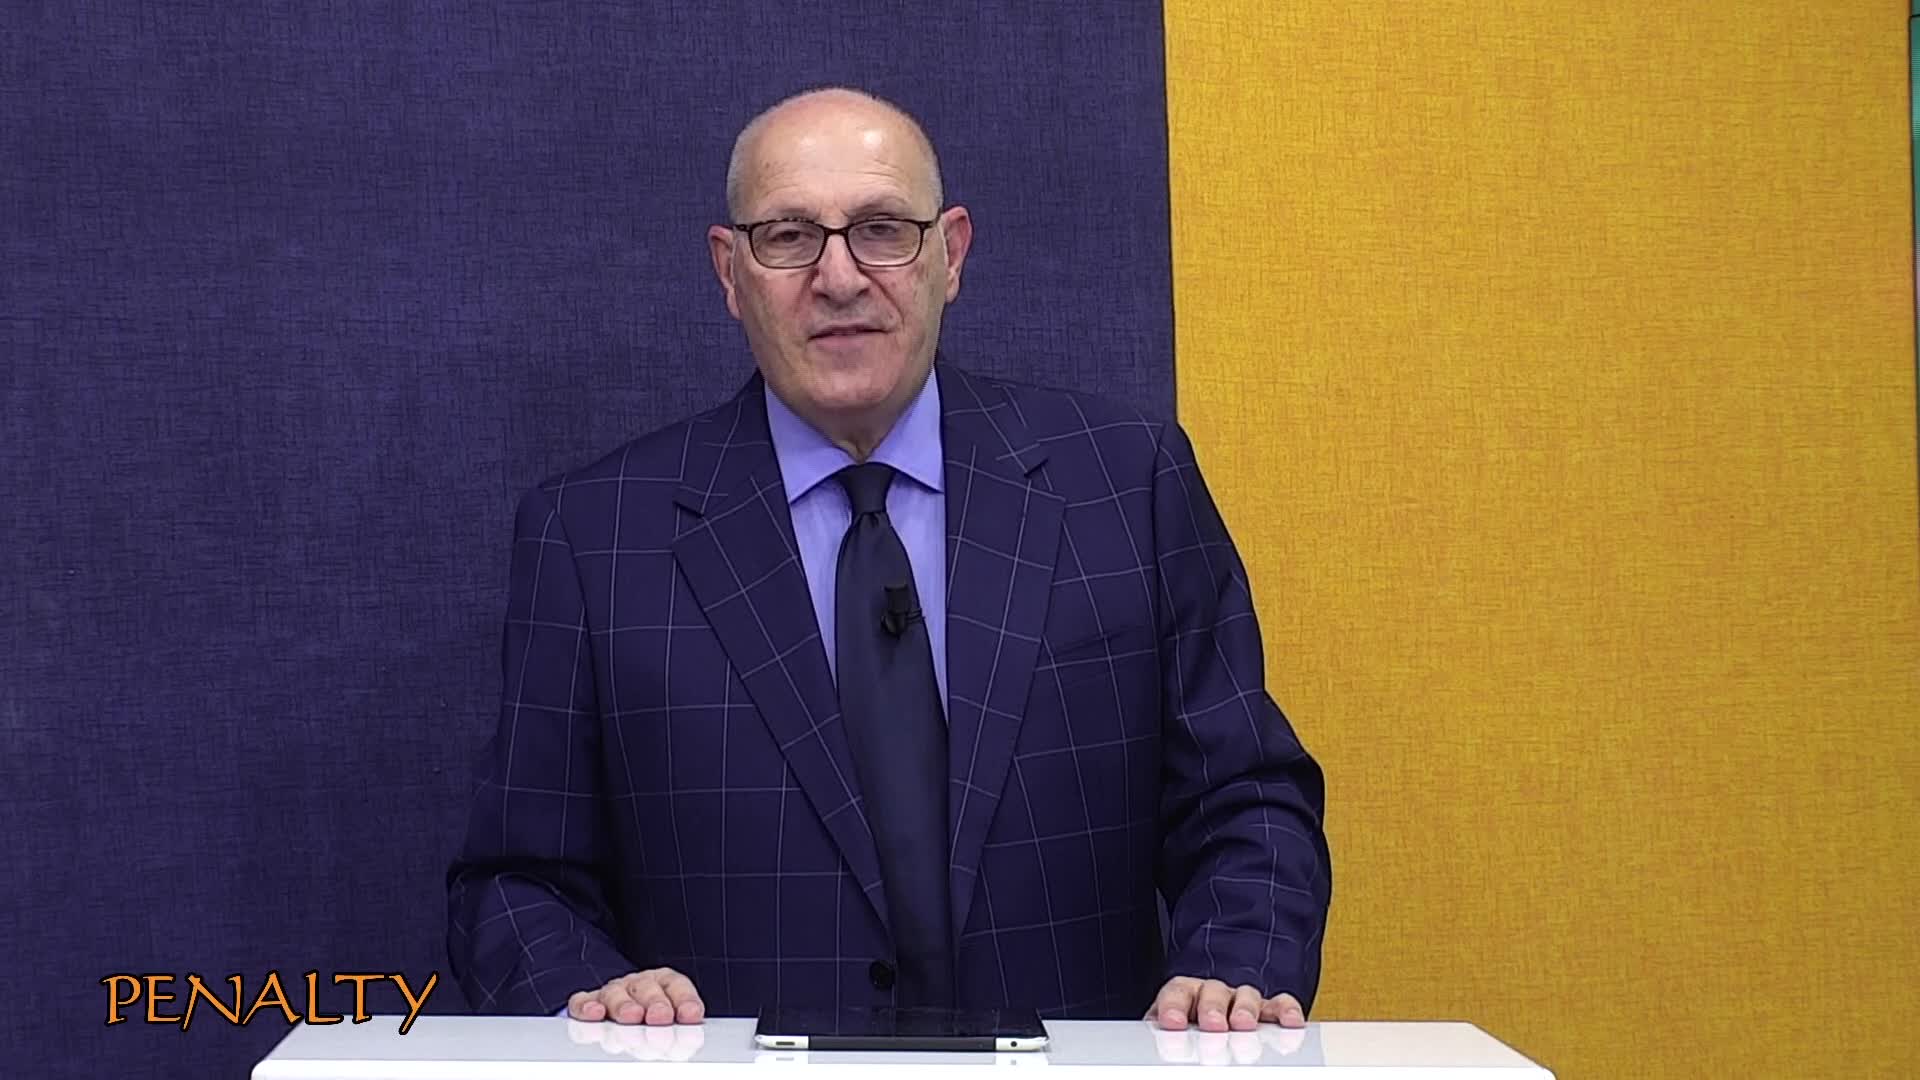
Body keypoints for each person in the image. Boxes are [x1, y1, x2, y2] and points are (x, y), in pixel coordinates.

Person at [445, 86, 1331, 1036]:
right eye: (789, 236)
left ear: (951, 254)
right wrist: (595, 1000)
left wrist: (1230, 969)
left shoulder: (1125, 483)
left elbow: (1246, 803)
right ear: (730, 272)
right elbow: (516, 884)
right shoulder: (593, 535)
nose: (839, 277)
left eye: (881, 230)